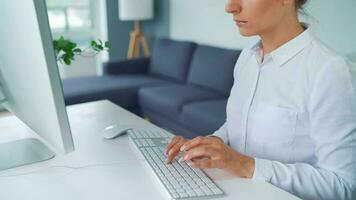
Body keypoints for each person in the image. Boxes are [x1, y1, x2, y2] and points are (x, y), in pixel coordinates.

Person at [165, 0, 356, 199]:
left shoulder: (330, 72)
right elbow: (237, 125)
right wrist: (208, 145)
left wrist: (245, 165)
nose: (230, 7)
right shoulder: (247, 58)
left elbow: (345, 186)